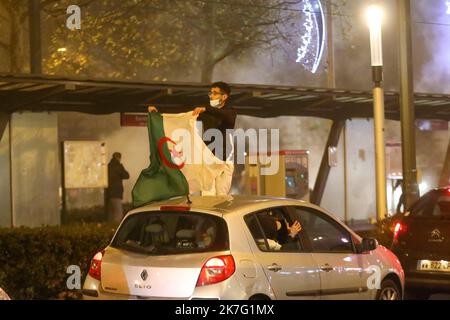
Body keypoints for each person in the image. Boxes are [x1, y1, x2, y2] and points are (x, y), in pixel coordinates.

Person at [148, 81, 237, 196]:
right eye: (210, 93)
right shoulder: (207, 112)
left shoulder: (231, 111)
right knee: (207, 197)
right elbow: (184, 114)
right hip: (208, 161)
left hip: (224, 161)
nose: (211, 96)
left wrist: (206, 109)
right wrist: (158, 113)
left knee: (221, 196)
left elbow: (225, 115)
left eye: (215, 93)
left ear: (224, 97)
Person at [105, 152, 130, 223]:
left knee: (111, 215)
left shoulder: (108, 166)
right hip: (116, 194)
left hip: (109, 194)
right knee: (118, 215)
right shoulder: (118, 166)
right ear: (118, 158)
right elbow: (127, 175)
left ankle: (109, 229)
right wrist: (121, 166)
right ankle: (116, 230)